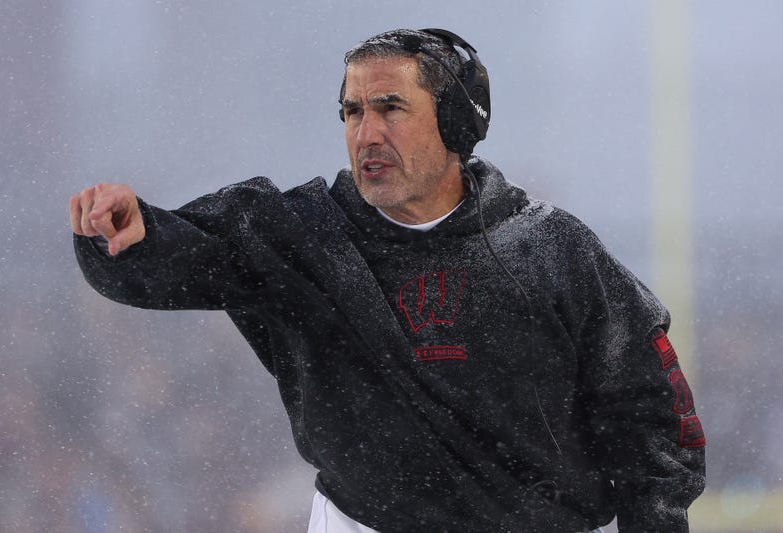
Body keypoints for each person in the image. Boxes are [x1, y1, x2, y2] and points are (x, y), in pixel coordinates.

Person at [69, 28, 706, 532]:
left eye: (390, 107)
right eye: (351, 112)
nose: (365, 133)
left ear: (458, 125)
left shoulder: (552, 249)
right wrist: (130, 234)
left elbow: (649, 413)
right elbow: (171, 258)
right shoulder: (299, 233)